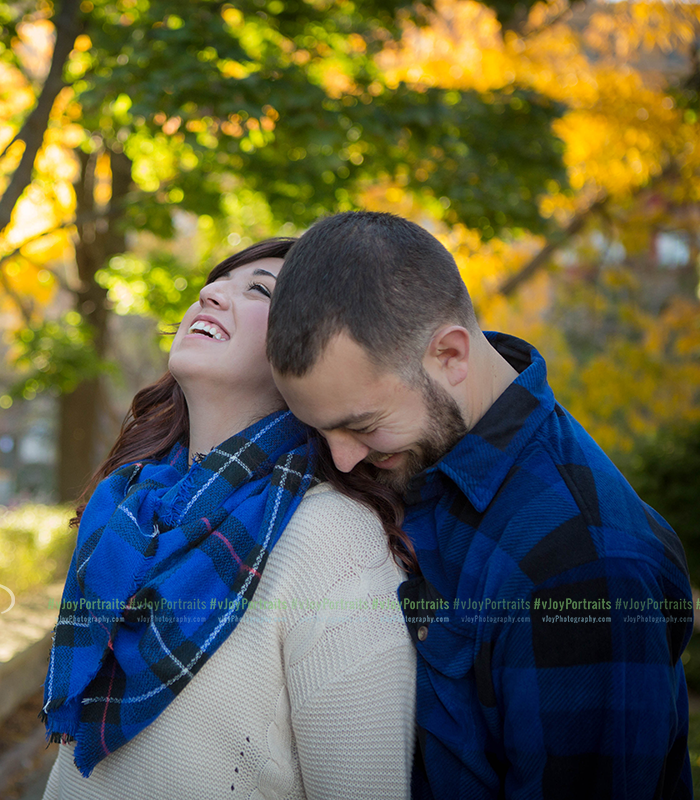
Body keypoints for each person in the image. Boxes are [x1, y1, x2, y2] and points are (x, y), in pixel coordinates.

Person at [265, 211, 692, 799]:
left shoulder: (582, 567)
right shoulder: (419, 453)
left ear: (451, 355)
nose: (340, 461)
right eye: (320, 432)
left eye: (362, 425)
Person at [41, 239, 417, 799]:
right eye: (215, 283)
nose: (210, 293)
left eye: (259, 289)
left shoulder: (333, 541)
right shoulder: (132, 505)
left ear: (315, 353)